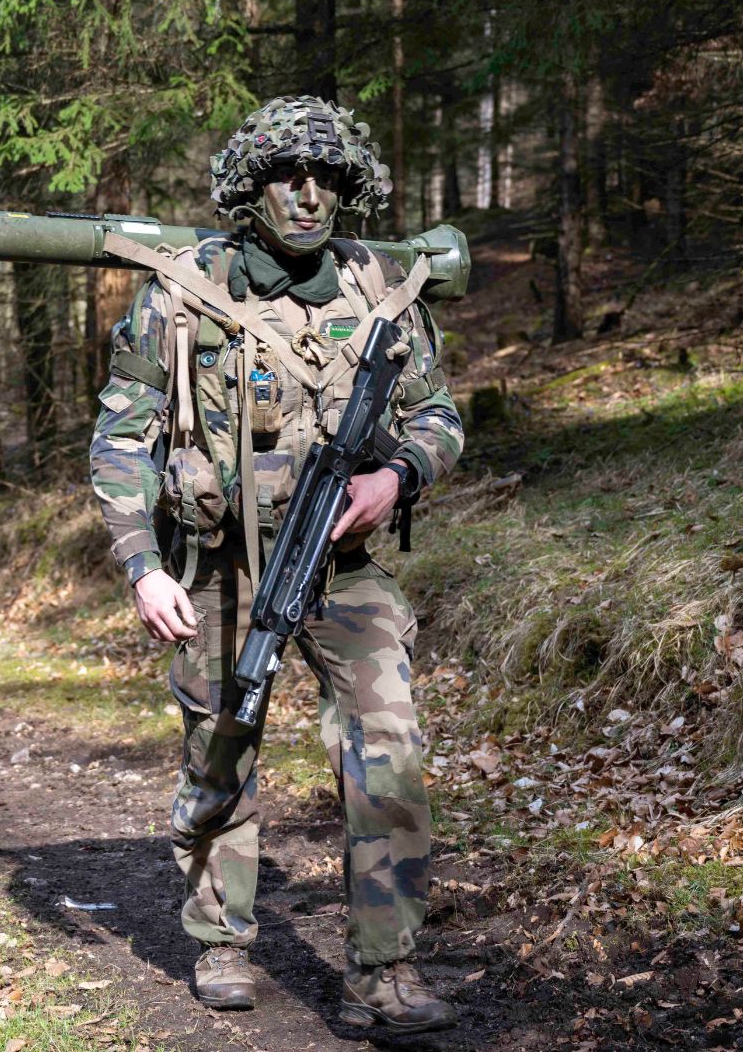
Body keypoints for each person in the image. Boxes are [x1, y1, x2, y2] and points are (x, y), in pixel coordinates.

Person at [87, 96, 465, 1032]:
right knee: (224, 746)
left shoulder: (380, 289)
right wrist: (143, 565)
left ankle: (384, 970)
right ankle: (220, 939)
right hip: (217, 567)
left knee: (390, 747)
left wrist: (396, 476)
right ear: (250, 190)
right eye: (289, 177)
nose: (309, 196)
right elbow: (120, 441)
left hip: (345, 565)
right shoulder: (181, 294)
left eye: (328, 178)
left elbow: (440, 418)